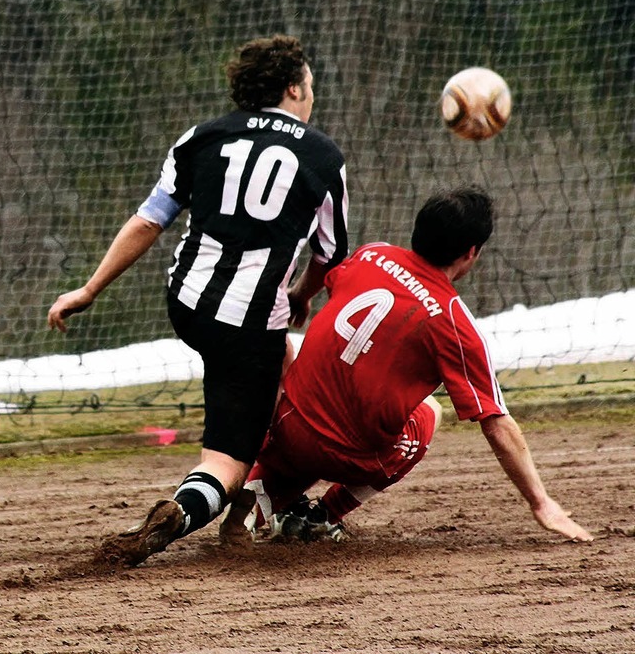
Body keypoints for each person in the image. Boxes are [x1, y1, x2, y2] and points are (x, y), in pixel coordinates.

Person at [47, 34, 350, 566]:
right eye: (311, 85)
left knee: (279, 362)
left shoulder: (200, 138)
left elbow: (148, 220)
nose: (313, 94)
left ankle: (262, 493)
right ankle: (195, 510)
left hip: (186, 302)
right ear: (293, 88)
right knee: (229, 459)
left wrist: (89, 289)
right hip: (250, 324)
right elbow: (330, 258)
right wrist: (300, 294)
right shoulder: (324, 157)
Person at [221, 187, 593, 545]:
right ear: (471, 253)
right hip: (345, 453)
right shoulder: (453, 320)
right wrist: (541, 502)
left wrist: (302, 297)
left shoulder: (372, 254)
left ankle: (257, 499)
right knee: (428, 413)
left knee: (289, 363)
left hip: (285, 423)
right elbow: (496, 424)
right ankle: (324, 516)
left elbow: (338, 289)